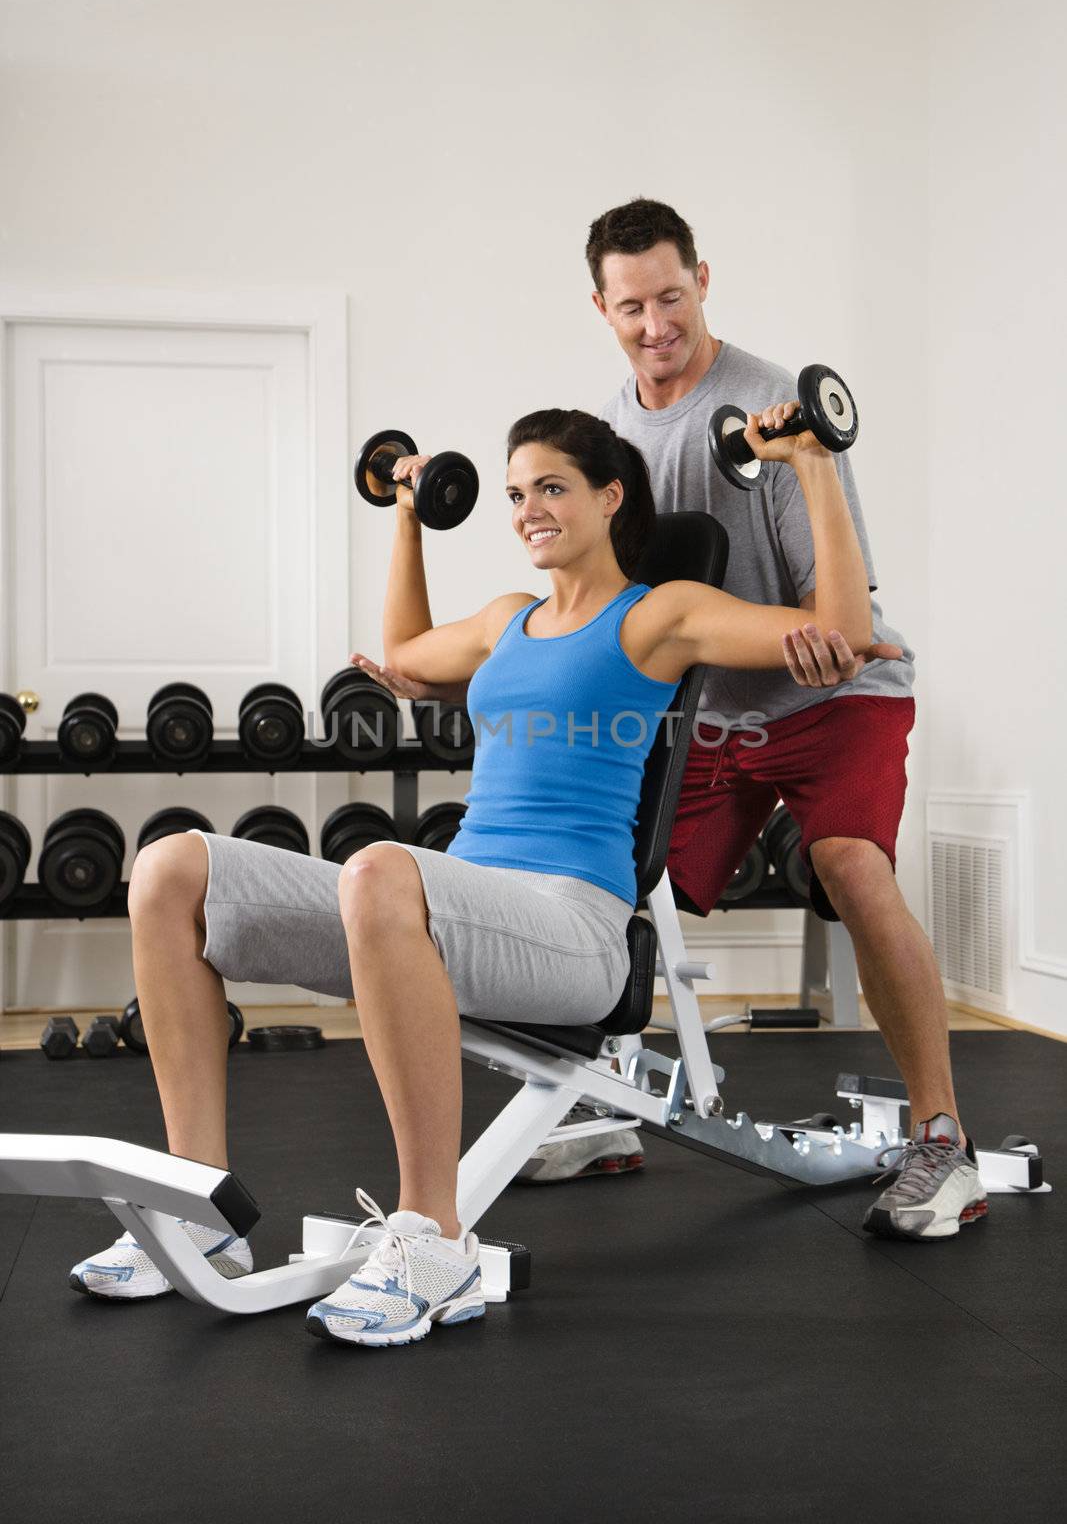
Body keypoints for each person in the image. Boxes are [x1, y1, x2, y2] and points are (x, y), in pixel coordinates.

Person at [70, 397, 904, 1347]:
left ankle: (435, 1239)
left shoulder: (657, 616)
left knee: (383, 869)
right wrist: (404, 510)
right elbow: (406, 655)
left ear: (609, 496)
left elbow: (836, 628)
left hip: (572, 927)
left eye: (551, 487)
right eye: (514, 494)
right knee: (172, 867)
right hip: (448, 912)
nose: (527, 510)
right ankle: (198, 1217)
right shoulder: (509, 620)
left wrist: (809, 462)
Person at [585, 197, 978, 1240]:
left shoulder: (772, 403)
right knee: (606, 870)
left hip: (834, 693)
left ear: (701, 279)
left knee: (849, 863)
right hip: (713, 712)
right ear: (600, 306)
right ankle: (606, 1096)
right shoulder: (609, 435)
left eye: (670, 295)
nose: (654, 323)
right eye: (631, 306)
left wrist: (820, 632)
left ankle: (941, 1140)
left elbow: (835, 615)